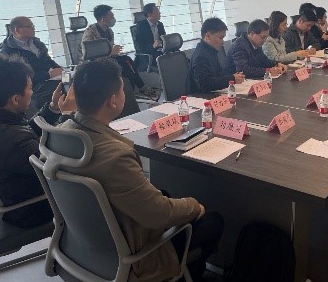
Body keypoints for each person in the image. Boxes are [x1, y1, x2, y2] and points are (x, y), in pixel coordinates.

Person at [62, 59, 224, 281]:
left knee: (164, 193)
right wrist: (194, 206)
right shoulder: (116, 157)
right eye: (122, 91)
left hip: (83, 246)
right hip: (132, 257)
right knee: (212, 221)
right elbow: (159, 214)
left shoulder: (60, 135)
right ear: (112, 101)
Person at [0, 56, 74, 228]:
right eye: (30, 87)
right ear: (15, 99)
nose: (32, 91)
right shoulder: (13, 141)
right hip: (30, 208)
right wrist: (68, 115)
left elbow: (25, 132)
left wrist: (53, 108)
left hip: (10, 191)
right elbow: (59, 168)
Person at [0, 16, 63, 111]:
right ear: (18, 30)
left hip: (49, 80)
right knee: (62, 89)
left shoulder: (37, 43)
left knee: (73, 81)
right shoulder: (8, 52)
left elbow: (47, 60)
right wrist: (48, 75)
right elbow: (19, 77)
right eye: (30, 26)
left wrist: (58, 69)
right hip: (33, 87)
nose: (34, 29)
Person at [79, 4, 145, 91]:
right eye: (111, 16)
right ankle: (131, 91)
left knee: (126, 59)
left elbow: (109, 50)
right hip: (94, 64)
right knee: (123, 67)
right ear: (103, 19)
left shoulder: (109, 31)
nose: (113, 19)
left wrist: (114, 53)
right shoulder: (90, 32)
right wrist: (110, 52)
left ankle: (136, 89)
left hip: (107, 59)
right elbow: (90, 55)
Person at [190, 17, 245, 93]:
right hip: (199, 96)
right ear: (208, 36)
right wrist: (232, 79)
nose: (223, 42)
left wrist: (233, 76)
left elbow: (219, 75)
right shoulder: (200, 56)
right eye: (220, 38)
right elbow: (204, 84)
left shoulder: (211, 51)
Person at [133, 3, 165, 71]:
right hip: (149, 56)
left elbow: (164, 39)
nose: (160, 13)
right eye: (157, 12)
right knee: (168, 63)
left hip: (160, 51)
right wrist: (153, 46)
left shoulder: (160, 24)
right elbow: (139, 48)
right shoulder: (140, 27)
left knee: (177, 55)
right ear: (150, 14)